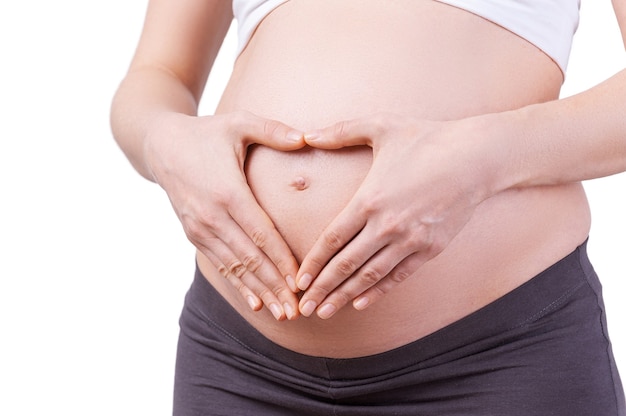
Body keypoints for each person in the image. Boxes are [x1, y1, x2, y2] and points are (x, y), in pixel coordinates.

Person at [110, 0, 626, 414]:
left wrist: (480, 160)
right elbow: (157, 74)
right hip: (239, 363)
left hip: (497, 360)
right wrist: (164, 140)